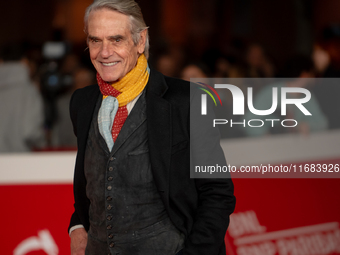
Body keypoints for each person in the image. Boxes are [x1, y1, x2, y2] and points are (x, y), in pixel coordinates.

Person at [68, 1, 235, 255]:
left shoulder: (186, 101)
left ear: (140, 40)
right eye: (95, 40)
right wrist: (78, 225)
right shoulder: (82, 102)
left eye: (116, 39)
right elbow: (93, 181)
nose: (104, 52)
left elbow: (217, 192)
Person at [0, 43, 45, 152]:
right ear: (24, 62)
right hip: (19, 160)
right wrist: (43, 142)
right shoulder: (28, 91)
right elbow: (30, 131)